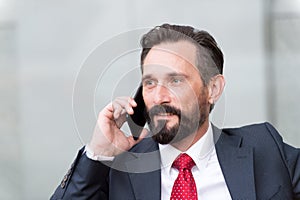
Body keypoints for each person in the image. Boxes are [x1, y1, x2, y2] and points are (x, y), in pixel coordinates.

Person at [51, 24, 300, 200]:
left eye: (176, 81)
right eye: (150, 82)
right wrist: (98, 154)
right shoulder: (119, 170)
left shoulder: (265, 146)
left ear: (212, 89)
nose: (159, 97)